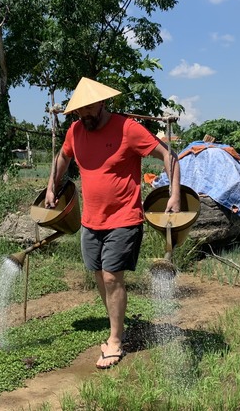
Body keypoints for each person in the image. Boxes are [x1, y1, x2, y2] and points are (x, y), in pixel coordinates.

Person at [44, 77, 182, 368]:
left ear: (102, 102)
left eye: (88, 109)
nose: (84, 116)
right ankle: (115, 328)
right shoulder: (75, 131)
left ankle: (116, 341)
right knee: (99, 276)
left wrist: (175, 194)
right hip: (91, 220)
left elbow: (168, 156)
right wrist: (51, 187)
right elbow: (62, 158)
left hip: (123, 217)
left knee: (111, 277)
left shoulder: (127, 128)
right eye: (79, 112)